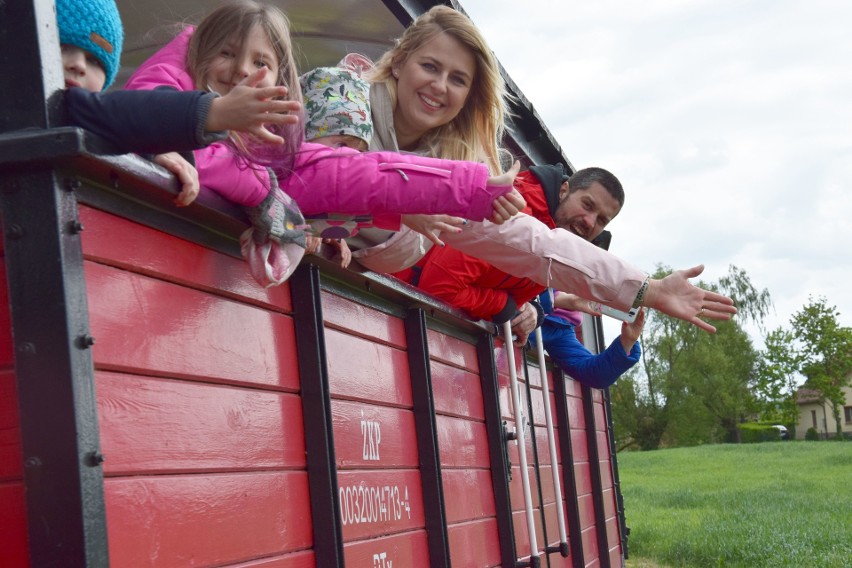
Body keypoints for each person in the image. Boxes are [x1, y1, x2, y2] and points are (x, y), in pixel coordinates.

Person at [349, 5, 736, 332]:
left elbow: (540, 246)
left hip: (357, 305)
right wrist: (400, 202)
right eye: (430, 66)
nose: (439, 86)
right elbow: (317, 177)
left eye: (458, 79)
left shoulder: (455, 176)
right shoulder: (342, 101)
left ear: (469, 96)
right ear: (399, 61)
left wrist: (647, 290)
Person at [124, 0, 524, 285]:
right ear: (200, 49)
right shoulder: (179, 78)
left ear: (279, 81)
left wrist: (470, 189)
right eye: (227, 53)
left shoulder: (275, 146)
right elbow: (145, 110)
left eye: (260, 63)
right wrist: (262, 193)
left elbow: (345, 176)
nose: (242, 70)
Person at [56, 0, 298, 207]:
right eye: (60, 46)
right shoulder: (76, 109)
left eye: (95, 60)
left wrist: (151, 147)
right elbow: (118, 114)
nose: (78, 64)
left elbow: (118, 120)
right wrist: (211, 113)